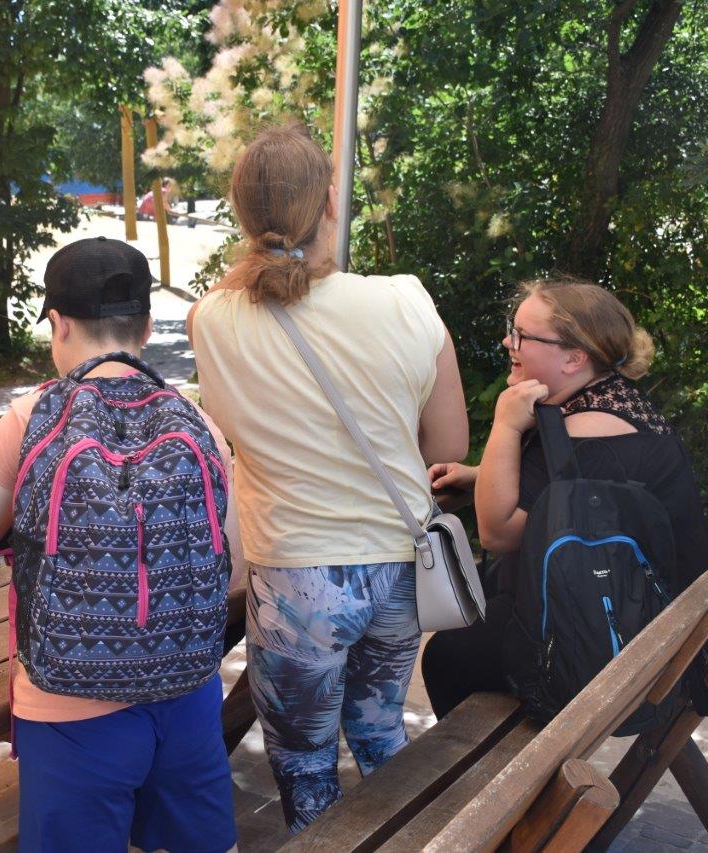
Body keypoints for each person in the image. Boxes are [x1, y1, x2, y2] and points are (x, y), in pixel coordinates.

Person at [187, 124, 469, 833]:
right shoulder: (407, 299)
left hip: (298, 582)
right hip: (400, 568)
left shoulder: (214, 319)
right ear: (332, 203)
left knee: (306, 765)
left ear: (241, 215)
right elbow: (448, 448)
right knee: (381, 733)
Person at [0, 236, 244, 853]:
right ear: (146, 327)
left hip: (69, 708)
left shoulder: (31, 417)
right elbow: (230, 569)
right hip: (186, 695)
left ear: (58, 323)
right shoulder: (197, 421)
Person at [420, 277, 708, 720]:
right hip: (647, 612)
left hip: (636, 639)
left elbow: (498, 532)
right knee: (470, 603)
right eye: (512, 329)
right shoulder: (609, 403)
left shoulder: (588, 433)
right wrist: (481, 477)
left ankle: (521, 763)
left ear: (574, 358)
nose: (508, 342)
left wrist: (505, 423)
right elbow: (574, 494)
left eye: (522, 335)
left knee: (448, 654)